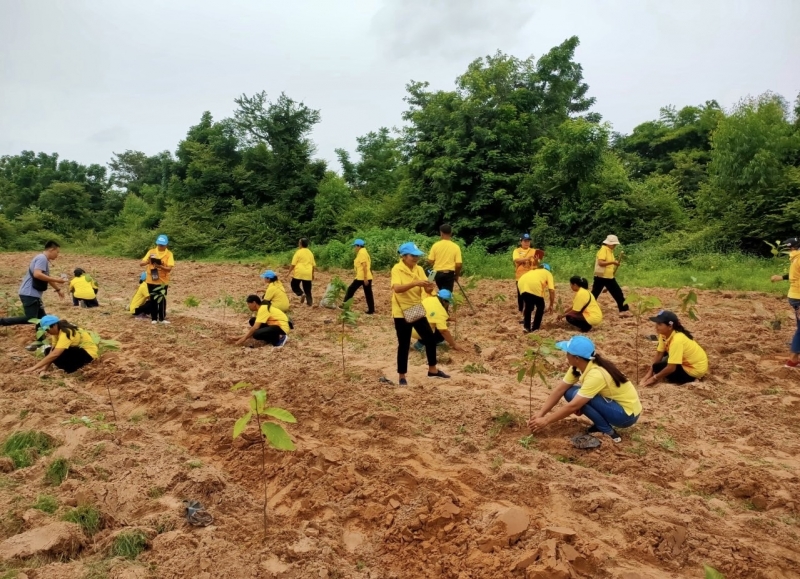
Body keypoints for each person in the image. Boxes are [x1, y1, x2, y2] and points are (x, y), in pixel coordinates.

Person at [527, 336, 642, 443]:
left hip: (626, 415)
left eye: (568, 353)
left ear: (576, 358)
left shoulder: (596, 374)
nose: (566, 355)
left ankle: (608, 432)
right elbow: (559, 390)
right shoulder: (579, 366)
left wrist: (546, 420)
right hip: (614, 405)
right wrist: (541, 413)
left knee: (578, 397)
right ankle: (600, 425)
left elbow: (573, 406)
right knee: (569, 392)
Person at [391, 242, 449, 386]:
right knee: (404, 344)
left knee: (430, 338)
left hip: (415, 307)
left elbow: (426, 291)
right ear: (404, 256)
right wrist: (415, 283)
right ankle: (402, 376)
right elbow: (397, 289)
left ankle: (432, 370)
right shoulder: (397, 269)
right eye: (413, 256)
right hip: (401, 311)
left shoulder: (419, 269)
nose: (416, 258)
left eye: (417, 256)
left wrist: (429, 287)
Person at [0, 241, 65, 330]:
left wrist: (58, 289)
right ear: (51, 249)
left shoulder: (43, 259)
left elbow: (46, 278)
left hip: (33, 294)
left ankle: (40, 338)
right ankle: (1, 321)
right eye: (57, 252)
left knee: (42, 319)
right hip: (30, 293)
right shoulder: (42, 258)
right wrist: (57, 280)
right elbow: (37, 274)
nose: (57, 255)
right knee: (31, 318)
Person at [641, 310, 708, 386]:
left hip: (694, 369)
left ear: (670, 326)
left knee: (659, 368)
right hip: (688, 363)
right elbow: (659, 354)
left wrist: (653, 378)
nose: (656, 326)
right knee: (657, 366)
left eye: (659, 324)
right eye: (656, 323)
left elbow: (671, 368)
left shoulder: (677, 340)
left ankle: (692, 379)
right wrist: (647, 375)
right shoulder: (663, 334)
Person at [21, 315, 98, 375]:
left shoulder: (67, 332)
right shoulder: (56, 332)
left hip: (88, 354)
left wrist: (34, 367)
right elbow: (52, 351)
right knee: (48, 350)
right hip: (77, 353)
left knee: (58, 353)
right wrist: (45, 367)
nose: (47, 332)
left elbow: (56, 354)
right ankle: (71, 368)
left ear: (54, 325)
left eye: (47, 329)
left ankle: (73, 369)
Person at [770, 237, 800, 368]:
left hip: (795, 297)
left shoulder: (795, 258)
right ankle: (792, 360)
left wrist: (781, 277)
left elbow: (794, 275)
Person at [140, 234, 174, 324]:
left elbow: (169, 269)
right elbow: (141, 263)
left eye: (162, 245)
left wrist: (160, 266)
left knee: (162, 299)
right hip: (151, 279)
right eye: (159, 244)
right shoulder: (151, 252)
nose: (160, 246)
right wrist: (148, 261)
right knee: (153, 299)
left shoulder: (169, 254)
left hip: (163, 281)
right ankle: (154, 318)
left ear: (166, 245)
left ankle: (162, 318)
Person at [591, 235, 629, 314]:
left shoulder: (609, 251)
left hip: (608, 277)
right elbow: (600, 263)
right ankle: (586, 308)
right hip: (602, 277)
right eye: (613, 244)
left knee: (617, 293)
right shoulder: (603, 250)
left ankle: (624, 310)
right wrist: (613, 262)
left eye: (615, 244)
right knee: (595, 294)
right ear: (608, 243)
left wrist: (614, 263)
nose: (614, 246)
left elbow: (607, 262)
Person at [517, 263, 555, 333]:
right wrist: (551, 304)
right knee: (541, 306)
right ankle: (535, 328)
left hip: (521, 284)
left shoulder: (533, 271)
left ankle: (526, 327)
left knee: (528, 306)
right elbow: (552, 291)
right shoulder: (548, 273)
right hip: (534, 286)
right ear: (548, 269)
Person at [512, 234, 540, 321]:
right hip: (520, 276)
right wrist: (527, 258)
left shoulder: (534, 251)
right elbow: (516, 259)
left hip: (531, 276)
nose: (527, 243)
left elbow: (537, 263)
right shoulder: (517, 251)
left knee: (530, 294)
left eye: (528, 241)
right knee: (521, 295)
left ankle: (529, 312)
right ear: (521, 242)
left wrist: (536, 261)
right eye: (525, 241)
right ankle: (521, 311)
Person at [427, 224, 462, 293]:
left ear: (441, 233)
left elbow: (430, 261)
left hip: (437, 274)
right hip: (449, 274)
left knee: (442, 291)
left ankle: (441, 298)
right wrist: (456, 275)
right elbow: (458, 265)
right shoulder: (456, 247)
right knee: (447, 294)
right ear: (451, 233)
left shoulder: (435, 245)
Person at [343, 239, 375, 314]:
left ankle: (345, 305)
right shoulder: (364, 252)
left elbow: (364, 266)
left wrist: (365, 278)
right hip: (365, 276)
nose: (355, 248)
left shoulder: (362, 253)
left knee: (351, 289)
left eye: (355, 246)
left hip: (362, 277)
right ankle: (371, 310)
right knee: (368, 293)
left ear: (359, 246)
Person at [287, 238, 316, 306]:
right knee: (307, 289)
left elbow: (293, 264)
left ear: (301, 244)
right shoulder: (310, 253)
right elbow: (313, 265)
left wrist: (289, 272)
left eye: (299, 243)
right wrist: (312, 274)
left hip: (299, 272)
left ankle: (301, 293)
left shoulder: (298, 252)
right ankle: (310, 303)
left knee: (294, 285)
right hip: (308, 273)